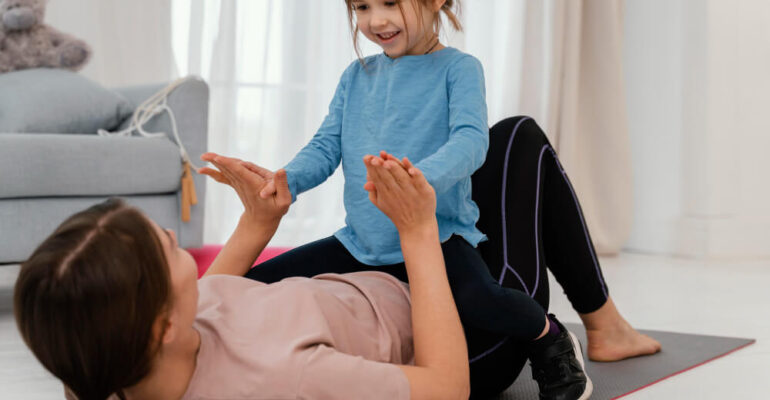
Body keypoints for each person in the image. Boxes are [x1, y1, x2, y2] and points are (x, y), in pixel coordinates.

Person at [19, 153, 539, 400]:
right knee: (516, 141)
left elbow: (210, 297)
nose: (182, 248)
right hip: (456, 338)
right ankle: (597, 326)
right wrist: (419, 233)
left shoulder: (116, 364)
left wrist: (259, 222)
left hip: (363, 286)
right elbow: (447, 389)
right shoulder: (287, 379)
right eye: (172, 249)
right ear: (161, 328)